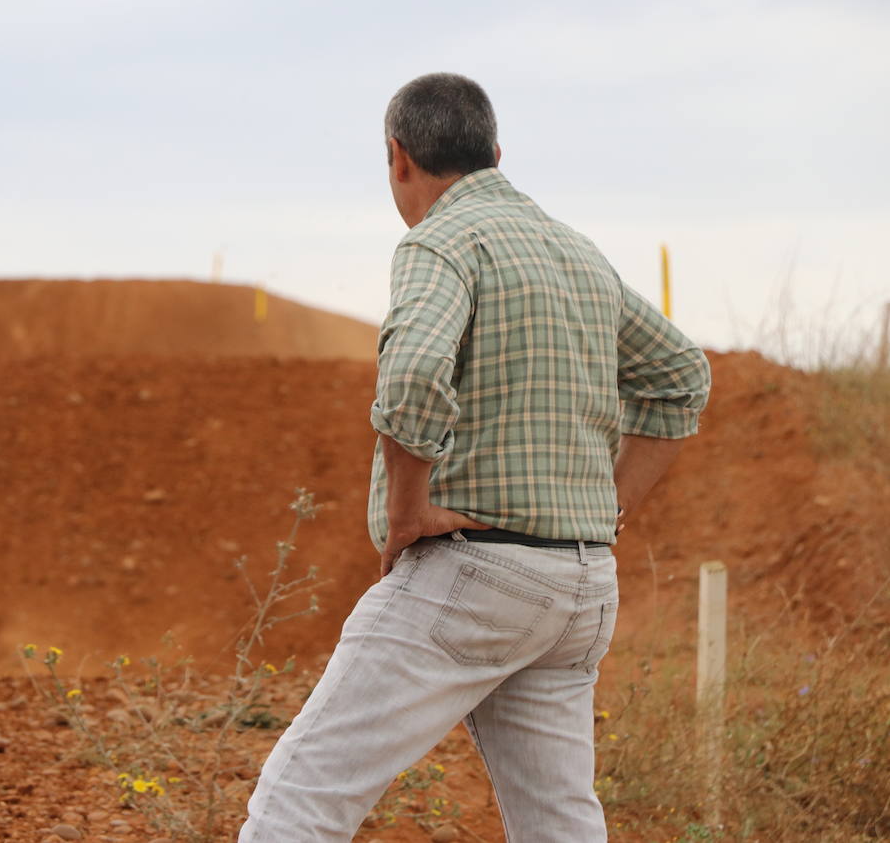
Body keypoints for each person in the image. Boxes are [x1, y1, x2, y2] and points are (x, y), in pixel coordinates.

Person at [239, 73, 712, 842]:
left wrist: (406, 515)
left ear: (398, 158)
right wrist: (609, 511)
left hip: (475, 575)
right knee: (559, 822)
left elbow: (417, 375)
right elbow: (682, 376)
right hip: (581, 587)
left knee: (301, 798)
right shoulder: (576, 252)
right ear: (495, 152)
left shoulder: (439, 242)